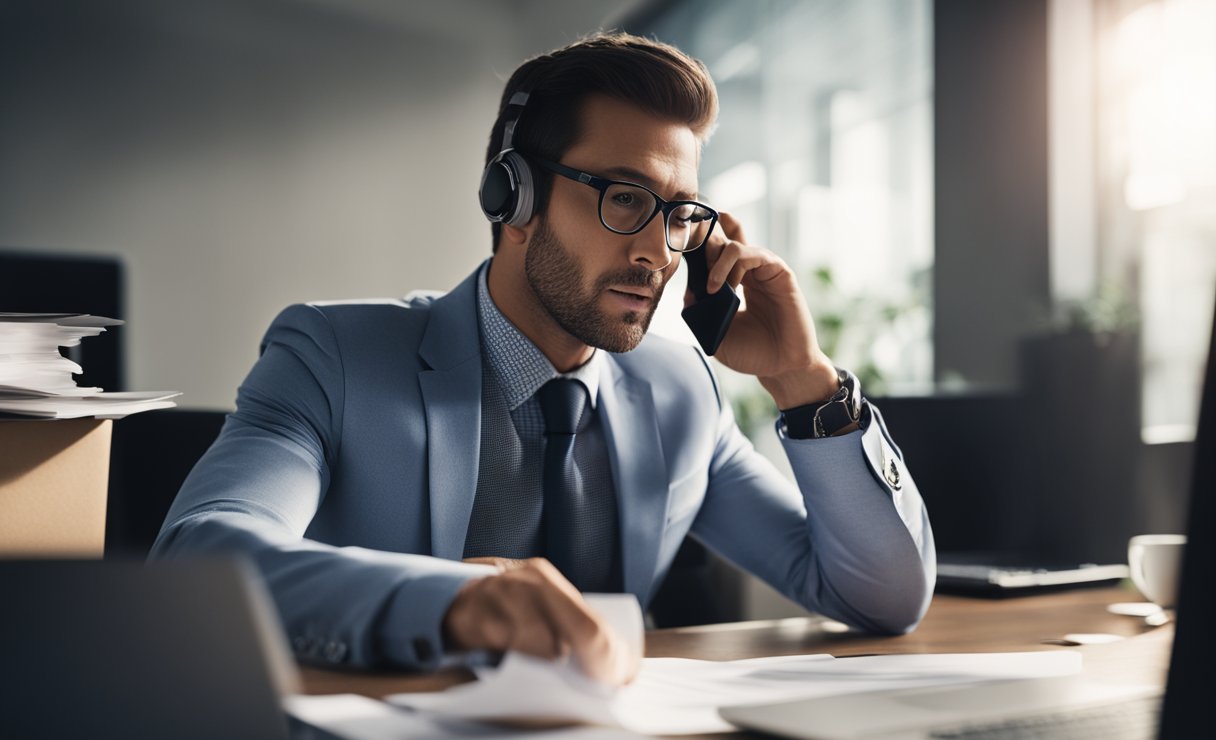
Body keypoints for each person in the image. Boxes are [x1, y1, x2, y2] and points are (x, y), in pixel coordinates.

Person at [151, 33, 934, 685]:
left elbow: (883, 597)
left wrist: (804, 381)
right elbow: (201, 556)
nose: (656, 253)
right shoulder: (335, 355)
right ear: (513, 196)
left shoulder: (680, 392)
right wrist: (453, 603)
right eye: (624, 198)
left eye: (679, 215)